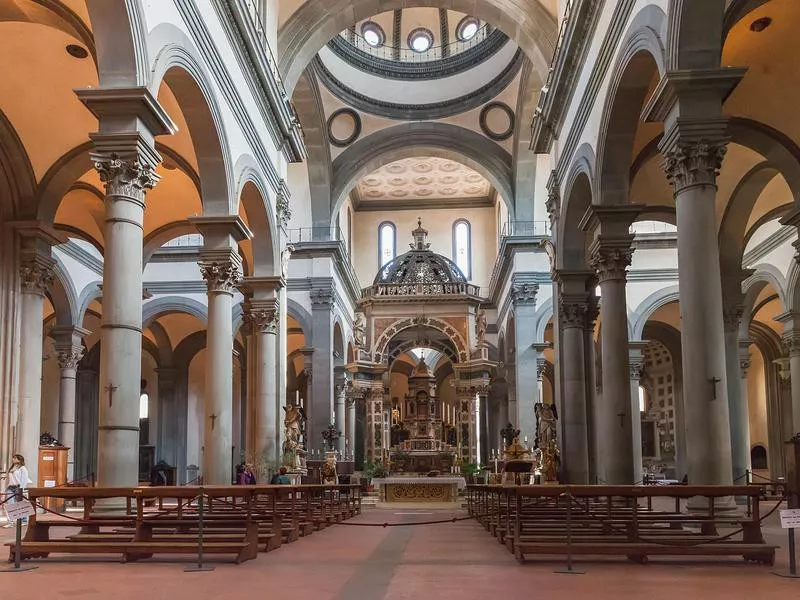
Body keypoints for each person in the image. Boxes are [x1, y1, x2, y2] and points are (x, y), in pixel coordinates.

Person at [4, 454, 30, 527]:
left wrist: (22, 489)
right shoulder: (11, 468)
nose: (13, 459)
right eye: (13, 458)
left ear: (19, 460)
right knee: (10, 505)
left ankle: (24, 520)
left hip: (18, 487)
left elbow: (24, 479)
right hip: (10, 488)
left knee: (20, 504)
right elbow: (9, 479)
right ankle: (10, 522)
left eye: (15, 458)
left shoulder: (22, 468)